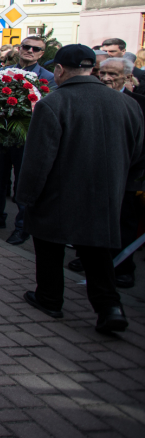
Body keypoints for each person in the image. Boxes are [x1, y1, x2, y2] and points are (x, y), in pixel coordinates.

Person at [17, 44, 143, 333]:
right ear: (92, 69)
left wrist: (27, 197)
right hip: (106, 193)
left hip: (59, 193)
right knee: (97, 252)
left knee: (49, 246)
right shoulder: (127, 104)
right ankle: (110, 307)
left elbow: (38, 159)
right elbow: (138, 152)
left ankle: (50, 297)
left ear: (59, 70)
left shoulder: (53, 103)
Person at [0, 35, 53, 244]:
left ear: (41, 53)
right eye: (26, 47)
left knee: (22, 182)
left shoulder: (46, 77)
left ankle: (22, 226)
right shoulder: (2, 73)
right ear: (19, 49)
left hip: (26, 138)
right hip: (0, 134)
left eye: (35, 49)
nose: (30, 51)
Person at [98, 56, 145, 288]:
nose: (106, 78)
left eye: (113, 74)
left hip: (128, 175)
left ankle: (124, 268)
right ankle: (99, 262)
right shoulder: (94, 100)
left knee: (123, 224)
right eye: (103, 73)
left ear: (127, 77)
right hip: (96, 175)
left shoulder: (139, 103)